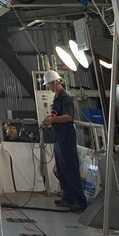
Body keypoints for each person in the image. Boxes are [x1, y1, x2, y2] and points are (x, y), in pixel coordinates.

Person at [41, 69, 86, 211]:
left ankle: (79, 201)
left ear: (55, 82)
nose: (48, 87)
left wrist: (52, 119)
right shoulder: (56, 98)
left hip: (66, 137)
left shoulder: (65, 97)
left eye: (49, 84)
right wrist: (50, 119)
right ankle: (68, 197)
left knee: (71, 168)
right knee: (62, 168)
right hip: (59, 137)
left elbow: (68, 116)